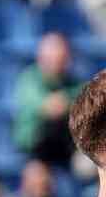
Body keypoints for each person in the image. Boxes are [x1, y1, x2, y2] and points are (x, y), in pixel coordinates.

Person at [13, 33, 83, 171]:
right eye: (52, 52)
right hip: (33, 149)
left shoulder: (73, 82)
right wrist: (67, 102)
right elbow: (50, 108)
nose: (57, 58)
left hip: (67, 148)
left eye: (61, 53)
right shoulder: (29, 78)